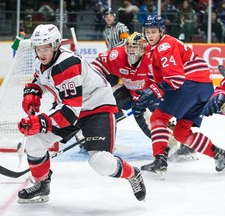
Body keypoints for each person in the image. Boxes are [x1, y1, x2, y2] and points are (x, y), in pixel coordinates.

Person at [16, 24, 146, 204]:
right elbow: (41, 80)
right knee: (35, 141)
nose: (42, 53)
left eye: (46, 48)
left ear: (55, 46)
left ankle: (133, 174)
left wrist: (40, 122)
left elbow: (70, 112)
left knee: (100, 162)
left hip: (97, 108)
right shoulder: (42, 61)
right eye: (38, 48)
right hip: (72, 108)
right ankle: (42, 184)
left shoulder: (66, 64)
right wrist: (34, 92)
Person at [134, 15, 225, 177]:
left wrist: (153, 93)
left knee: (157, 119)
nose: (150, 35)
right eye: (147, 32)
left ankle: (160, 160)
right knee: (181, 132)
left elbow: (175, 79)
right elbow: (154, 80)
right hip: (203, 88)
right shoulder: (152, 51)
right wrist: (141, 97)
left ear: (162, 31)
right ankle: (219, 154)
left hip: (190, 84)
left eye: (153, 31)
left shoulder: (164, 46)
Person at [91, 31, 196, 160]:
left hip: (154, 95)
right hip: (132, 95)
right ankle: (98, 136)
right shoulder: (117, 55)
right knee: (110, 99)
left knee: (155, 119)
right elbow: (98, 65)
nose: (131, 51)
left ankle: (180, 143)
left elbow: (171, 78)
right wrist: (92, 82)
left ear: (143, 49)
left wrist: (157, 94)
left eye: (135, 47)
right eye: (129, 47)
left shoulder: (154, 57)